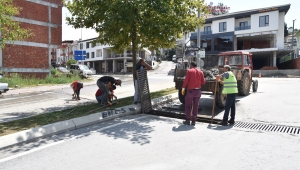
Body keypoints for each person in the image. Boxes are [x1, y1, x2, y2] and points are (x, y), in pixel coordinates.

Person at [182, 61, 206, 126]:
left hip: (190, 91)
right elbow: (203, 82)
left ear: (191, 65)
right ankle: (193, 121)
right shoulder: (201, 72)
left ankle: (187, 120)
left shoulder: (189, 71)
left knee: (188, 106)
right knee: (195, 106)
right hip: (198, 91)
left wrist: (183, 88)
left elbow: (186, 80)